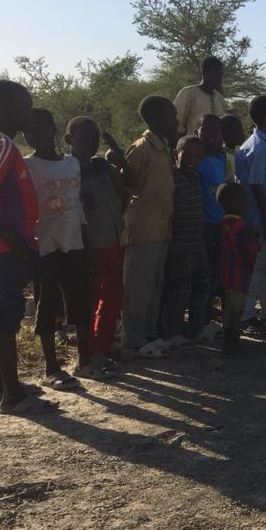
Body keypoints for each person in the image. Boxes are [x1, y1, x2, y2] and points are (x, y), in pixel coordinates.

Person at [0, 81, 57, 415]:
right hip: (7, 248)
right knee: (6, 316)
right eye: (25, 106)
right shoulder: (2, 147)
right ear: (6, 110)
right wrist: (14, 241)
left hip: (1, 245)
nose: (30, 112)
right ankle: (13, 397)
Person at [24, 108, 99, 389]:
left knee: (81, 299)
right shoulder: (26, 166)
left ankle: (84, 360)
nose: (34, 135)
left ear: (54, 129)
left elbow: (77, 207)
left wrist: (87, 243)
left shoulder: (72, 164)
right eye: (29, 131)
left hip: (74, 242)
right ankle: (51, 368)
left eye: (40, 128)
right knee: (47, 303)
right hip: (43, 245)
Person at [119, 95, 178, 359]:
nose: (176, 120)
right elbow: (126, 187)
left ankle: (149, 335)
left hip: (162, 227)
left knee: (155, 285)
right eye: (171, 115)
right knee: (138, 289)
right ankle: (132, 340)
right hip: (143, 228)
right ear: (156, 118)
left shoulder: (164, 148)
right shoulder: (141, 149)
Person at [68, 116, 126, 367]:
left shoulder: (102, 166)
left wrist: (118, 157)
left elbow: (127, 187)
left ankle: (103, 343)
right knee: (91, 296)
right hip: (91, 243)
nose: (90, 144)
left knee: (113, 294)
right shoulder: (67, 170)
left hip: (114, 239)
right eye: (84, 138)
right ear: (69, 139)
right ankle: (89, 348)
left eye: (94, 139)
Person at [235, 96, 266, 326]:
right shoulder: (258, 146)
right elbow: (255, 185)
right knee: (254, 268)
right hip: (258, 220)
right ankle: (247, 314)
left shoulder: (265, 143)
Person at [162, 136, 210, 347]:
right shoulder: (172, 179)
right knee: (178, 292)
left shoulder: (196, 179)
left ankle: (195, 329)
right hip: (179, 247)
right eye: (187, 155)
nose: (192, 160)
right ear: (176, 154)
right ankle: (172, 332)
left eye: (197, 156)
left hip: (197, 244)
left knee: (201, 287)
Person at [216, 182, 260, 356]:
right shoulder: (242, 226)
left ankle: (228, 343)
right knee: (236, 312)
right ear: (237, 203)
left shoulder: (223, 222)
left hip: (225, 274)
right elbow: (249, 249)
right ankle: (234, 345)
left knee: (227, 310)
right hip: (239, 275)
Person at [195, 113, 227, 335]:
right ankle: (200, 320)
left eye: (215, 130)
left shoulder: (222, 157)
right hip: (202, 223)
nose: (211, 134)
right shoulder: (195, 157)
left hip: (219, 222)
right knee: (202, 275)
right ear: (197, 131)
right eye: (206, 129)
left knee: (216, 273)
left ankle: (208, 318)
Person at [173, 56, 226, 136]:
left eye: (221, 74)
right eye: (216, 74)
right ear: (204, 72)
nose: (220, 78)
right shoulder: (189, 92)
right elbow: (177, 123)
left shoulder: (219, 97)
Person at [220, 114, 245, 181]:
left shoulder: (237, 153)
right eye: (239, 130)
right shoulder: (223, 158)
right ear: (226, 133)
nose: (243, 134)